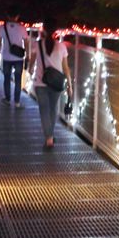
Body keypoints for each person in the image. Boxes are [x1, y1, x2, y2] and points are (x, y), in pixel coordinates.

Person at [29, 16, 71, 148]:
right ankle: (50, 136)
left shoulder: (38, 44)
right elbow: (66, 68)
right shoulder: (62, 46)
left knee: (44, 111)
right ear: (56, 30)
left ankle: (49, 137)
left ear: (44, 29)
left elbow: (32, 60)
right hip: (56, 84)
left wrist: (30, 69)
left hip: (40, 83)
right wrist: (70, 84)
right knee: (54, 110)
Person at [0, 9, 27, 107]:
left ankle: (7, 99)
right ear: (17, 16)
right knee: (18, 80)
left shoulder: (2, 28)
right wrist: (28, 56)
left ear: (8, 16)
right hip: (18, 58)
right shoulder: (22, 28)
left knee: (7, 79)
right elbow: (26, 43)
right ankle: (17, 102)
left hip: (6, 57)